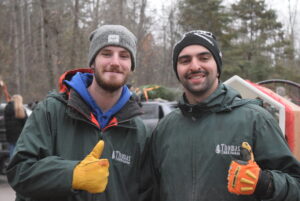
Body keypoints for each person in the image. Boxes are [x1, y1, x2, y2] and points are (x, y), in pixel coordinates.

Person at [143, 30, 300, 201]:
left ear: (217, 67)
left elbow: (295, 185)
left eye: (204, 58)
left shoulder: (255, 120)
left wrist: (265, 183)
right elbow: (151, 191)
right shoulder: (165, 128)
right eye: (185, 60)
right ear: (177, 70)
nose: (195, 66)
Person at [6, 25, 150, 201]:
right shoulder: (50, 111)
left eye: (124, 56)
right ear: (92, 61)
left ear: (131, 65)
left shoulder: (139, 132)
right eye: (106, 53)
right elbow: (19, 171)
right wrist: (72, 175)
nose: (115, 62)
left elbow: (146, 193)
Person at [4, 94, 27, 159]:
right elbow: (26, 123)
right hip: (21, 136)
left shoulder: (7, 108)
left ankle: (12, 168)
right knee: (21, 155)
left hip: (10, 136)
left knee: (12, 154)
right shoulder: (22, 110)